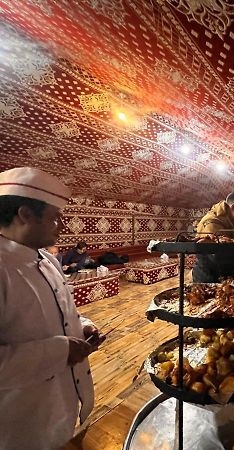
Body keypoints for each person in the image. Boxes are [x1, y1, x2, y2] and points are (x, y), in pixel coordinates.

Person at [0, 167, 103, 450]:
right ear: (25, 214)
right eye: (55, 217)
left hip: (61, 401)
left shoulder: (47, 260)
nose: (61, 224)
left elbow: (60, 313)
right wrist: (60, 350)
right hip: (20, 423)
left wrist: (83, 326)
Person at [193, 191, 234, 283]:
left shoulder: (233, 222)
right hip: (208, 277)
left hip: (224, 273)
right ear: (233, 207)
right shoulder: (212, 222)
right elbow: (216, 257)